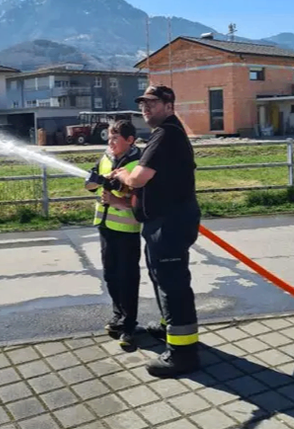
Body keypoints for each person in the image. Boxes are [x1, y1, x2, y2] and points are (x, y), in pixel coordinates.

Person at [111, 84, 201, 378]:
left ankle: (182, 353)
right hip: (161, 222)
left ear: (169, 105)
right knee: (161, 278)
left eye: (152, 103)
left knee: (173, 286)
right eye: (142, 104)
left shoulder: (166, 134)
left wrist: (123, 174)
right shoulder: (163, 134)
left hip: (169, 223)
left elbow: (138, 178)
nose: (145, 108)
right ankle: (168, 328)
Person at [85, 120, 142, 349]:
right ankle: (118, 316)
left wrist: (119, 200)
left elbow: (144, 201)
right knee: (110, 275)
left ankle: (129, 326)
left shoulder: (139, 163)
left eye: (115, 138)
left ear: (130, 140)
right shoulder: (106, 158)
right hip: (105, 225)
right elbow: (87, 184)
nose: (110, 142)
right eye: (109, 138)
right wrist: (98, 181)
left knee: (128, 278)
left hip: (127, 230)